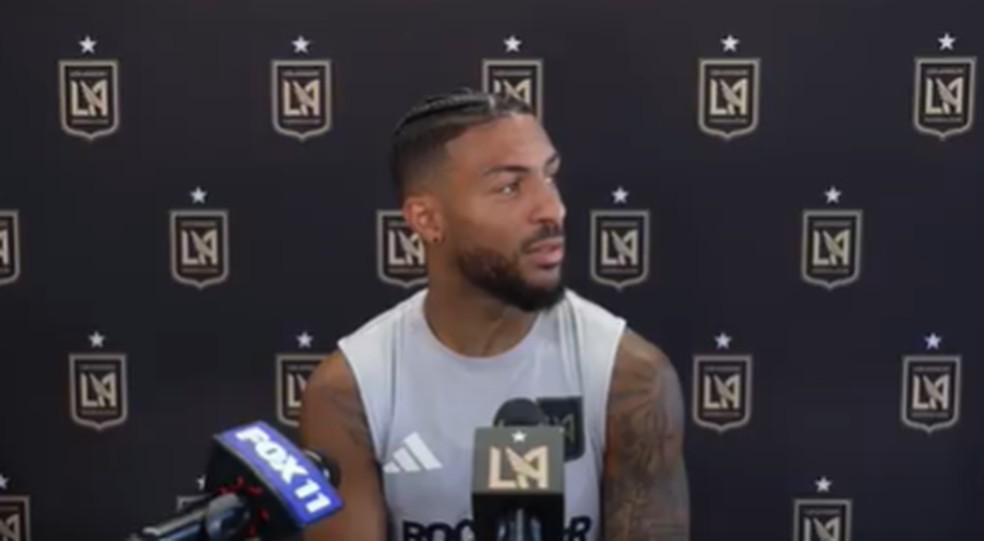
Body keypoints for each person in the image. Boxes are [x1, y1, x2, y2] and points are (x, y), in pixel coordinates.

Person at [299, 88, 690, 541]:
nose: (553, 210)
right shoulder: (349, 392)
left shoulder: (631, 377)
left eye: (550, 177)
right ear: (427, 219)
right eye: (509, 187)